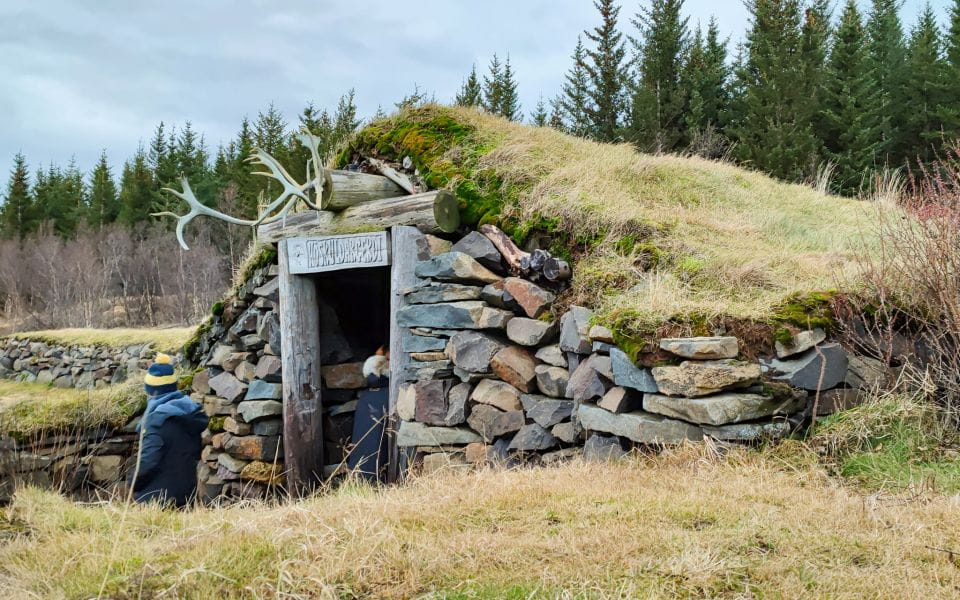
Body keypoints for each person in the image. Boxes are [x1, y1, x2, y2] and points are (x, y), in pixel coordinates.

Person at [130, 353, 208, 507]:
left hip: (156, 499)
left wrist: (132, 480)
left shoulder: (155, 419)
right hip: (186, 495)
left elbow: (148, 460)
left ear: (151, 390)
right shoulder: (190, 412)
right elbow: (194, 451)